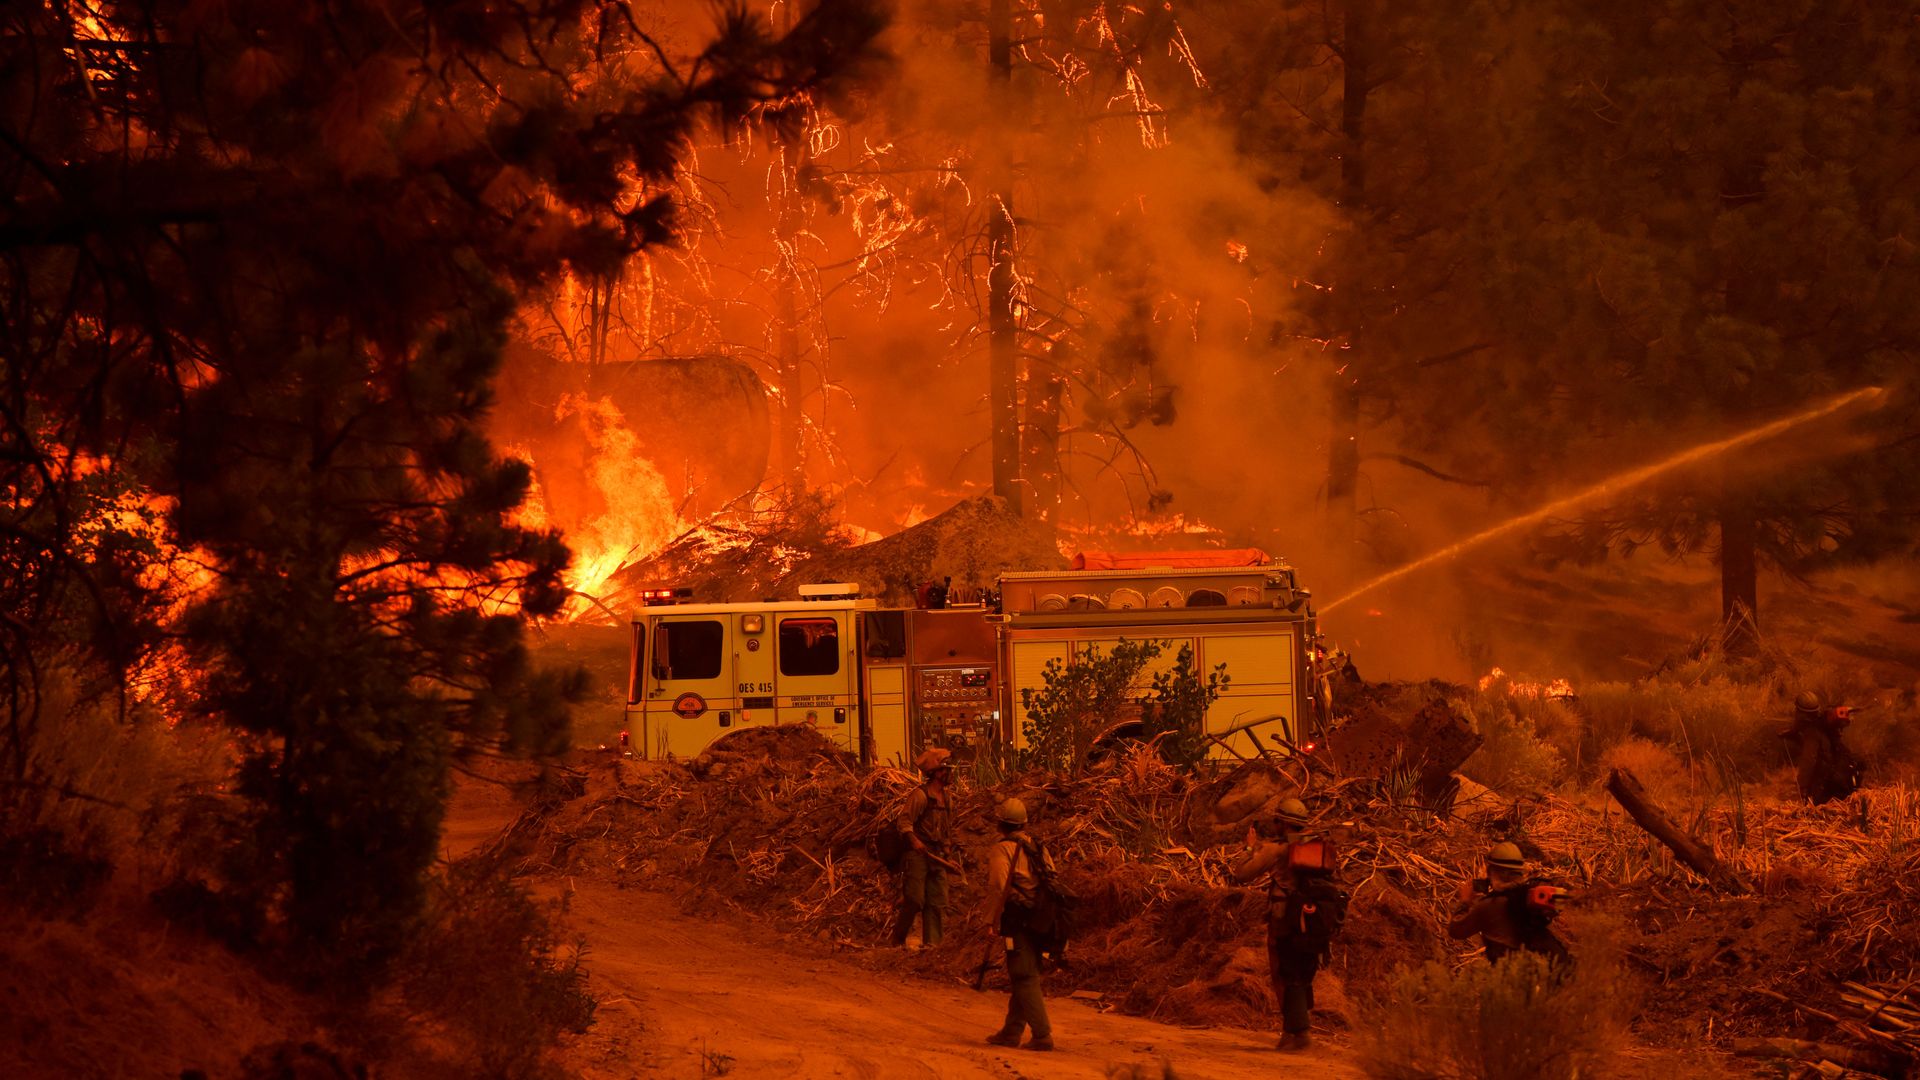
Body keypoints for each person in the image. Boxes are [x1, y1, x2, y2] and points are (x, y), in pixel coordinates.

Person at [1231, 797, 1344, 1052]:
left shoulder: (1276, 850)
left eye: (1277, 820)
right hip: (1315, 922)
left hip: (1285, 921)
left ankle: (1298, 1034)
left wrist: (1249, 848)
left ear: (1282, 822)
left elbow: (1240, 874)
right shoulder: (1318, 847)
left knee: (1286, 974)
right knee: (1303, 974)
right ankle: (1295, 1031)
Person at [983, 797, 1053, 1052]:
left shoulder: (1002, 849)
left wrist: (991, 921)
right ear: (1024, 822)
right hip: (1042, 918)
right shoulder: (1038, 847)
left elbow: (999, 887)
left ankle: (1042, 1034)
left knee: (1023, 976)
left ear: (1000, 824)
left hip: (1019, 919)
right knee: (1024, 973)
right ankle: (1011, 1032)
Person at [1447, 841, 1570, 965]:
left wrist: (1465, 900)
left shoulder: (1488, 906)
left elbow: (1456, 930)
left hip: (1516, 978)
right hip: (1548, 969)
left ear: (1492, 871)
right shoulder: (1528, 897)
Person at [891, 747, 955, 947]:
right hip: (918, 855)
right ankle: (898, 938)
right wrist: (914, 841)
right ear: (936, 773)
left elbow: (946, 830)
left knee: (936, 901)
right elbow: (904, 822)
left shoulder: (948, 798)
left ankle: (932, 945)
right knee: (915, 899)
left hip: (935, 855)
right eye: (946, 770)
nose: (950, 774)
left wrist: (947, 853)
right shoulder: (920, 796)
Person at [1782, 690, 1862, 804]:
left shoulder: (1812, 733)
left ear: (1800, 712)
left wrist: (1802, 787)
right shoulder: (1824, 723)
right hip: (1842, 779)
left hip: (1828, 785)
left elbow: (1809, 761)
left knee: (1816, 802)